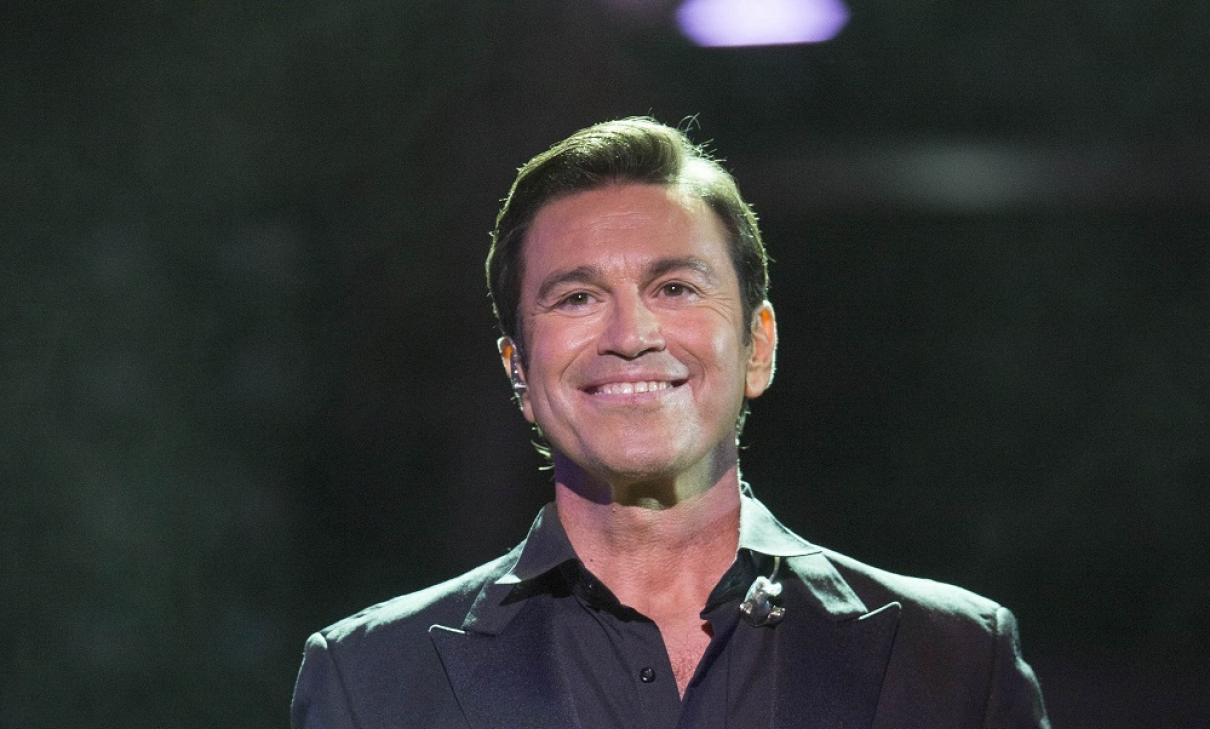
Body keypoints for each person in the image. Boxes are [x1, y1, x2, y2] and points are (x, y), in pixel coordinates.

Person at [291, 117, 1050, 729]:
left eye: (676, 287)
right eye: (577, 298)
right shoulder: (370, 682)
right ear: (519, 372)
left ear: (758, 346)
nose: (632, 335)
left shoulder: (957, 662)